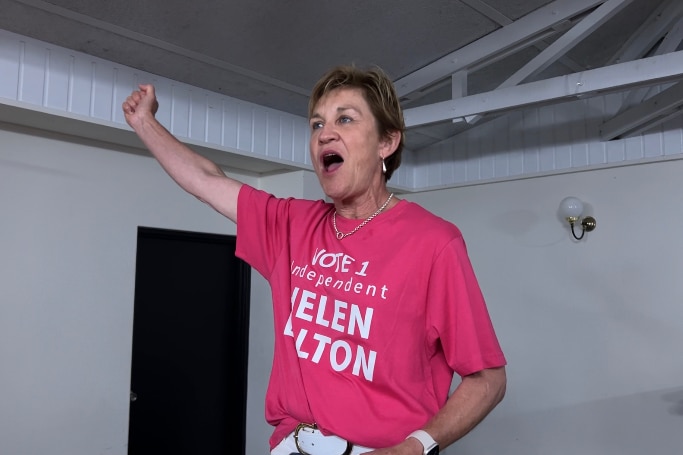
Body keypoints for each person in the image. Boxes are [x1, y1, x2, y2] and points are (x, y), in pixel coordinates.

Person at [122, 65, 507, 455]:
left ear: (387, 142)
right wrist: (144, 123)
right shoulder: (291, 225)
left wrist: (415, 447)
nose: (325, 133)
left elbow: (488, 378)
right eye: (316, 124)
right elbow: (207, 180)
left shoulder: (434, 242)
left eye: (345, 118)